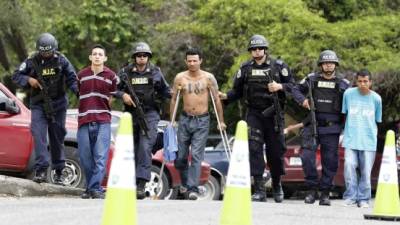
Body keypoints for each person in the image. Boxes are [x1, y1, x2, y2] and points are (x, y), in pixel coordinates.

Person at [219, 34, 294, 202]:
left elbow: (293, 87)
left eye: (260, 48)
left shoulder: (278, 66)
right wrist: (225, 96)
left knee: (276, 153)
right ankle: (259, 188)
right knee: (254, 150)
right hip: (254, 114)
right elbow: (236, 91)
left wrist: (279, 86)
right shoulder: (245, 69)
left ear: (265, 49)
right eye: (253, 49)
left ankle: (276, 184)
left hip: (274, 114)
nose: (257, 51)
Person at [12, 33, 78, 184]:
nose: (47, 55)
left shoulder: (62, 60)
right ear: (39, 50)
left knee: (57, 138)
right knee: (38, 134)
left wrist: (80, 94)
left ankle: (59, 172)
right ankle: (41, 170)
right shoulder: (31, 61)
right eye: (44, 52)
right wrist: (29, 79)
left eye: (49, 52)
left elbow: (72, 79)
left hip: (59, 104)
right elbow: (16, 76)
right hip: (38, 105)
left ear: (54, 49)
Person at [292, 50, 350, 206]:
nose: (328, 65)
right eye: (325, 63)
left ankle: (325, 193)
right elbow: (295, 89)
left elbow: (351, 103)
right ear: (321, 65)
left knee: (330, 162)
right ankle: (312, 190)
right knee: (306, 157)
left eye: (331, 63)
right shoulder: (311, 79)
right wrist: (303, 101)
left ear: (335, 65)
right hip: (313, 125)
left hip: (332, 129)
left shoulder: (343, 84)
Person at [114, 42, 171, 199]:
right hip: (130, 115)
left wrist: (178, 93)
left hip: (150, 114)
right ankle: (129, 182)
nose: (141, 58)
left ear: (148, 57)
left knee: (145, 147)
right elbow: (113, 88)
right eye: (139, 56)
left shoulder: (156, 72)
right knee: (132, 149)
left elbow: (166, 91)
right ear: (134, 57)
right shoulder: (125, 72)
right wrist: (122, 95)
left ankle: (141, 184)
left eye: (144, 55)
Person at [170, 48, 226, 200]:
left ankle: (192, 188)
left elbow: (216, 99)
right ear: (185, 61)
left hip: (202, 120)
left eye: (195, 60)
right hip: (184, 119)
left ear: (201, 61)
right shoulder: (180, 78)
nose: (192, 63)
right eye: (189, 61)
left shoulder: (208, 78)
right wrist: (172, 121)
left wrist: (221, 121)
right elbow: (174, 99)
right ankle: (185, 183)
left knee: (196, 154)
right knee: (180, 157)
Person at [77, 44, 117, 199]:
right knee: (85, 157)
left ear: (105, 58)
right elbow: (77, 92)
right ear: (90, 57)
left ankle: (94, 189)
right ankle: (92, 188)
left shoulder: (111, 76)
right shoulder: (81, 75)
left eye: (100, 54)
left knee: (100, 157)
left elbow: (113, 95)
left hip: (103, 121)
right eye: (94, 54)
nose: (97, 56)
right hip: (84, 120)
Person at [341, 69, 382, 208]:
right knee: (349, 166)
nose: (362, 84)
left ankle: (364, 199)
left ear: (370, 82)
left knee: (366, 171)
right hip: (351, 138)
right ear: (356, 82)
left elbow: (377, 119)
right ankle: (351, 197)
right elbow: (345, 114)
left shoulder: (376, 99)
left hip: (369, 140)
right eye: (360, 81)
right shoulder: (348, 94)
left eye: (365, 81)